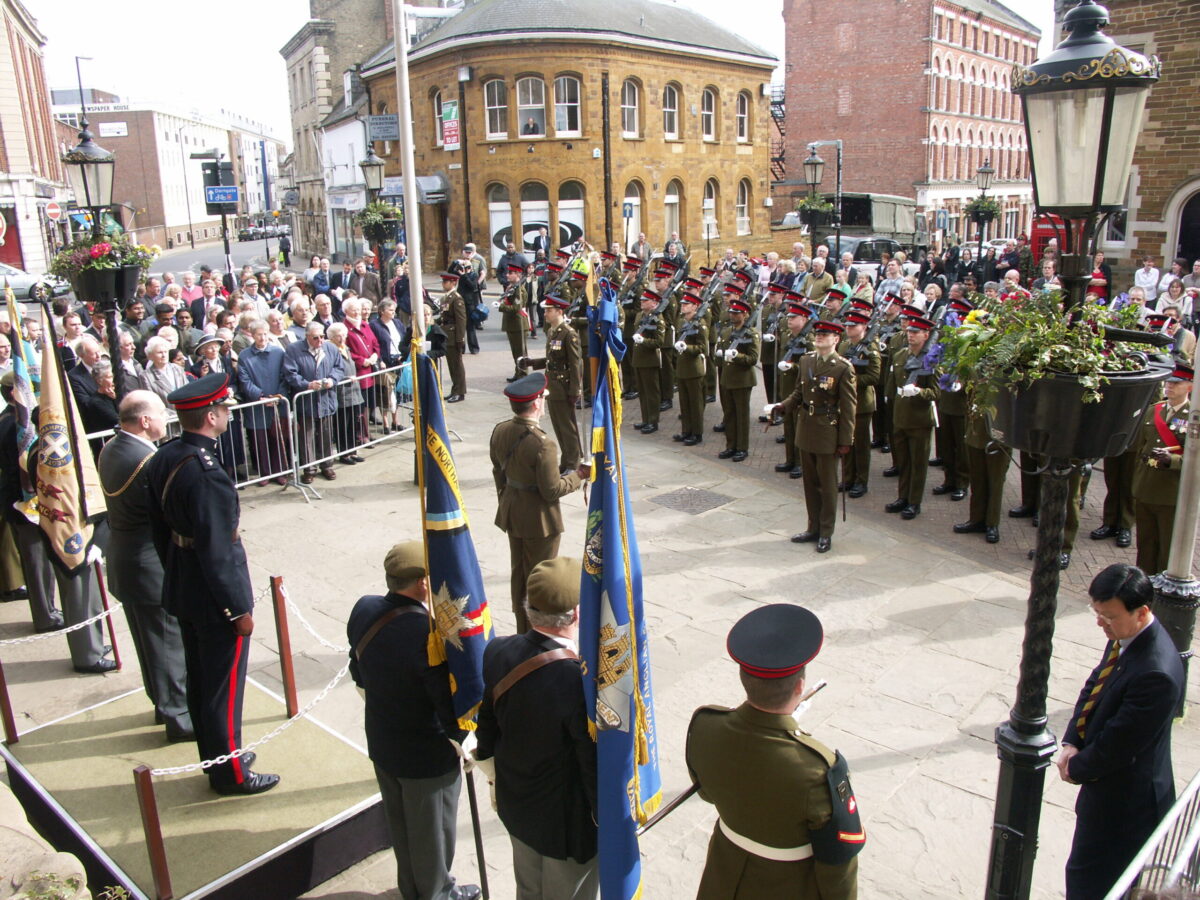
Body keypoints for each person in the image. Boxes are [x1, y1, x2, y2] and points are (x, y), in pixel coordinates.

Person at [144, 373, 280, 795]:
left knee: (201, 680)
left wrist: (176, 573)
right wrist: (237, 608)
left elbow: (159, 531)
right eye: (222, 408)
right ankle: (230, 773)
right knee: (222, 689)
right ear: (209, 416)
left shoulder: (167, 455)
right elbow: (217, 550)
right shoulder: (205, 472)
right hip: (213, 595)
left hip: (186, 584)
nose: (227, 413)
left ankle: (218, 756)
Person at [687, 603, 863, 900]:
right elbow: (838, 863)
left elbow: (708, 792)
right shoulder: (819, 768)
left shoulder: (705, 725)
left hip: (723, 876)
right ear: (800, 687)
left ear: (744, 679)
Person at [346, 541, 482, 900]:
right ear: (423, 584)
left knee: (403, 830)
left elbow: (356, 670)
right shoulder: (428, 633)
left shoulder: (364, 609)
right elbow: (444, 699)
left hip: (383, 741)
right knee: (434, 835)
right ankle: (438, 894)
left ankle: (413, 890)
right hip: (425, 755)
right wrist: (465, 741)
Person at [1058, 564, 1184, 899]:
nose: (1100, 622)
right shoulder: (1125, 636)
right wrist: (1073, 740)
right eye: (1096, 612)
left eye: (1109, 616)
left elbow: (1119, 743)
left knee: (1092, 885)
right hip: (1111, 795)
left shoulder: (1156, 674)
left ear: (1141, 612)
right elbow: (1096, 684)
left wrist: (1076, 768)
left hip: (1126, 810)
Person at [474, 556, 597, 900]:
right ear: (576, 613)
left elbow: (487, 725)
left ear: (529, 608)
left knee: (528, 890)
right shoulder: (579, 680)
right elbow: (591, 763)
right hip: (566, 828)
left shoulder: (498, 650)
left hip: (518, 806)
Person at [98, 391, 192, 741]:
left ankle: (162, 702)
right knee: (167, 645)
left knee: (147, 642)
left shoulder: (112, 448)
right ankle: (178, 716)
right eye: (160, 414)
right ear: (145, 421)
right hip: (148, 564)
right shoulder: (146, 461)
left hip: (124, 559)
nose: (166, 419)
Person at [489, 373, 585, 634]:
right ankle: (538, 632)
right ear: (536, 404)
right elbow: (552, 490)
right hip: (540, 521)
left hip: (512, 512)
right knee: (540, 578)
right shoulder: (544, 444)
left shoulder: (500, 430)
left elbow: (498, 472)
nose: (544, 401)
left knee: (519, 575)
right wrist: (579, 476)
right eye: (543, 398)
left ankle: (522, 628)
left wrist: (507, 502)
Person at [774, 320, 856, 553]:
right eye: (818, 334)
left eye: (825, 334)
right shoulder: (806, 360)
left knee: (827, 485)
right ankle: (813, 527)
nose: (820, 337)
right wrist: (784, 405)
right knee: (809, 483)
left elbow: (849, 408)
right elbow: (800, 392)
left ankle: (826, 532)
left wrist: (845, 441)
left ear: (836, 339)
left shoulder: (842, 367)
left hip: (827, 430)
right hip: (806, 426)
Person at [1131, 362, 1191, 574]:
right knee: (1145, 544)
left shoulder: (1193, 417)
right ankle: (1144, 583)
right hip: (1146, 487)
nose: (1170, 386)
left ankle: (1164, 588)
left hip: (1171, 493)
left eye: (1177, 383)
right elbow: (1139, 448)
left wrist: (1172, 461)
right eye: (1169, 381)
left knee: (1167, 547)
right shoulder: (1152, 411)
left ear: (1190, 386)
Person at [884, 315, 940, 519]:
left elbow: (937, 392)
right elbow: (892, 384)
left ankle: (914, 502)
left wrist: (919, 392)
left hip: (919, 418)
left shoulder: (931, 359)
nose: (911, 335)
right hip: (900, 414)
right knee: (903, 461)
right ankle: (902, 497)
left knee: (918, 463)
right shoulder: (900, 356)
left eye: (916, 332)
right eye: (909, 332)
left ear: (926, 334)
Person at [520, 293, 582, 472]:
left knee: (567, 427)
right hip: (552, 386)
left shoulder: (569, 334)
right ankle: (566, 460)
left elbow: (575, 364)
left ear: (559, 311)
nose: (545, 314)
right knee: (558, 426)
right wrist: (533, 363)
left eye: (548, 311)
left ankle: (573, 462)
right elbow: (552, 359)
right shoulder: (552, 331)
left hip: (564, 387)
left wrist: (574, 391)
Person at [283, 323, 343, 484]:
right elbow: (290, 373)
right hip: (306, 402)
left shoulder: (330, 348)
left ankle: (327, 465)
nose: (320, 340)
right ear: (307, 336)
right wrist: (307, 384)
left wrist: (332, 379)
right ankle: (309, 468)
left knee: (326, 433)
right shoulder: (294, 350)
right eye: (315, 338)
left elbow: (339, 367)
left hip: (326, 399)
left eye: (322, 336)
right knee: (306, 436)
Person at [237, 322, 291, 486]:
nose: (263, 337)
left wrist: (278, 396)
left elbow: (284, 375)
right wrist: (259, 396)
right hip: (257, 405)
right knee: (260, 441)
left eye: (265, 334)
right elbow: (244, 380)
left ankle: (280, 471)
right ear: (252, 335)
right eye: (259, 334)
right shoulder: (245, 356)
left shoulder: (278, 352)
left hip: (276, 402)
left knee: (277, 437)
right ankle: (265, 473)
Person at [837, 310, 880, 499]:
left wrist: (851, 380)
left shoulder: (871, 349)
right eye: (847, 325)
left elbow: (874, 376)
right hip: (845, 403)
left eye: (853, 326)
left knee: (861, 446)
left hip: (862, 404)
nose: (849, 328)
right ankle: (847, 477)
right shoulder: (844, 345)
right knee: (846, 440)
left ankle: (861, 481)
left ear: (863, 327)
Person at [714, 291, 760, 462]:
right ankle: (730, 445)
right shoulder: (726, 332)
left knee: (741, 415)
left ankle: (742, 447)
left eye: (736, 313)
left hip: (742, 380)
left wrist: (737, 356)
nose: (733, 316)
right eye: (731, 312)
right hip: (727, 378)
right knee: (729, 414)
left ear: (745, 314)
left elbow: (753, 359)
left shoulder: (751, 333)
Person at [438, 272, 469, 403]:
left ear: (453, 283)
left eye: (446, 282)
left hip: (453, 335)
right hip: (447, 335)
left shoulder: (456, 298)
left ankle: (460, 392)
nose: (443, 284)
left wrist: (460, 339)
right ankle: (454, 389)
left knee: (457, 366)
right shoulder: (446, 297)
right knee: (452, 365)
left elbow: (461, 321)